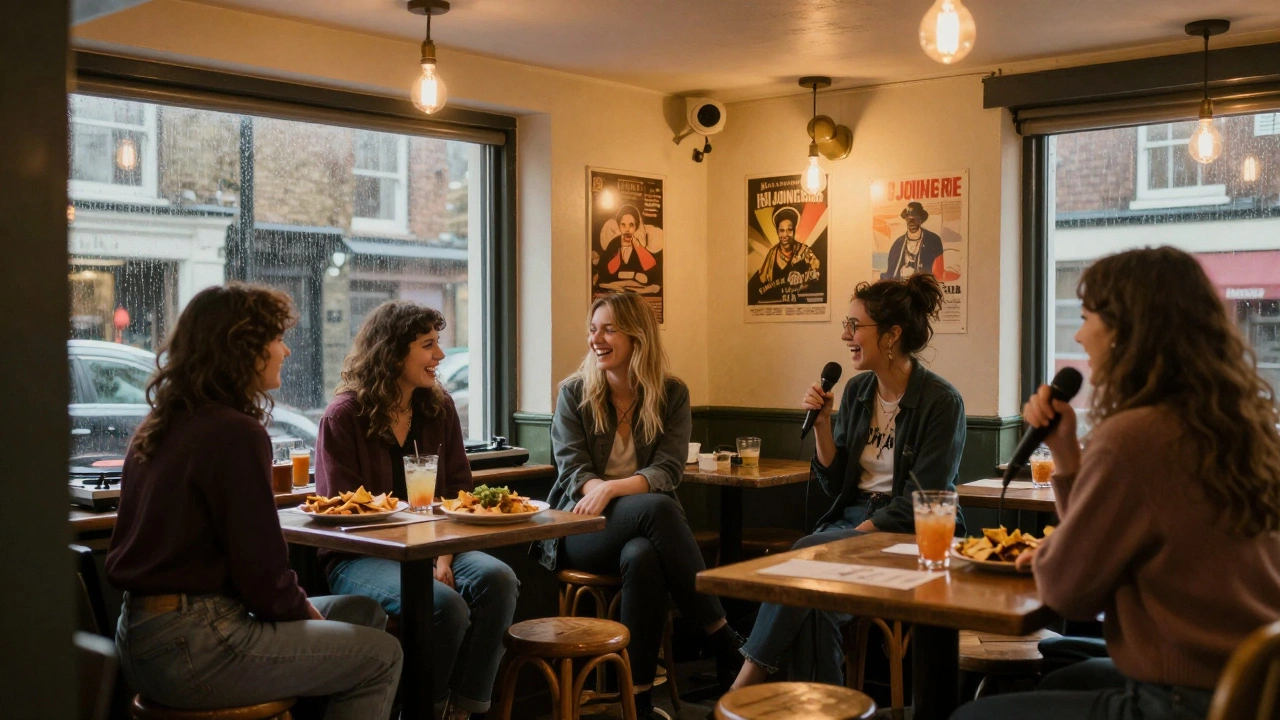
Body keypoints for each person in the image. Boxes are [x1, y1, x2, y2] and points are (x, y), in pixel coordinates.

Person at [952, 247, 1280, 720]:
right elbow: (1099, 541)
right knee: (1065, 671)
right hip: (1254, 683)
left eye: (1087, 318)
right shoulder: (1233, 425)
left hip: (1188, 698)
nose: (1080, 335)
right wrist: (1066, 452)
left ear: (1128, 331)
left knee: (970, 717)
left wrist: (1045, 554)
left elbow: (1069, 592)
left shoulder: (1134, 438)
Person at [106, 283, 403, 718]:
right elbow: (262, 575)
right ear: (243, 348)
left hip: (141, 636)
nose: (286, 351)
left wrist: (307, 616)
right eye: (277, 338)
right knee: (383, 655)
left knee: (362, 611)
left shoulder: (160, 424)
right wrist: (309, 620)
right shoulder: (236, 432)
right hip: (198, 643)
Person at [733, 273, 966, 688]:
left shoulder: (941, 403)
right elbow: (834, 482)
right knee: (818, 601)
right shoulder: (859, 391)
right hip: (854, 522)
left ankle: (744, 681)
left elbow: (923, 500)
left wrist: (860, 534)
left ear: (892, 335)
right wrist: (823, 425)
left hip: (911, 538)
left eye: (855, 325)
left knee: (804, 556)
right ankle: (822, 709)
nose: (845, 335)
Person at [539, 292, 745, 720]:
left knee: (644, 555)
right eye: (593, 328)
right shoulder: (573, 393)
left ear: (637, 337)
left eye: (609, 329)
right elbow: (573, 469)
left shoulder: (671, 393)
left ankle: (638, 701)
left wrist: (613, 490)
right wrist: (600, 489)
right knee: (660, 510)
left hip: (643, 529)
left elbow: (669, 469)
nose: (597, 338)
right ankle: (723, 637)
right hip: (583, 528)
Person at [315, 300, 518, 720]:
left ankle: (464, 710)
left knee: (499, 579)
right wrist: (419, 561)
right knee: (445, 605)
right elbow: (343, 518)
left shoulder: (437, 407)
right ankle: (426, 710)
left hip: (434, 544)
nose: (440, 356)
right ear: (392, 352)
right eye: (428, 345)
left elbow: (459, 492)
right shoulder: (343, 416)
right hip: (360, 556)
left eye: (438, 343)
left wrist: (440, 556)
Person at [748, 205, 822, 304]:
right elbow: (760, 280)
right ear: (778, 232)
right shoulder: (772, 254)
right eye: (782, 230)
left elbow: (814, 264)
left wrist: (814, 265)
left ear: (794, 231)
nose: (785, 235)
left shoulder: (803, 250)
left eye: (789, 230)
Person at [595, 204, 662, 294]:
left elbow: (653, 273)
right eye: (623, 225)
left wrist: (638, 247)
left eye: (631, 225)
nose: (627, 229)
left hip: (637, 288)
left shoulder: (639, 243)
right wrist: (620, 250)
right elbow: (604, 272)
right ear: (619, 226)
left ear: (636, 226)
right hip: (616, 287)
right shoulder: (614, 242)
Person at [882, 201, 943, 280]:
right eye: (909, 219)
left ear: (921, 220)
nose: (912, 223)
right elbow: (890, 273)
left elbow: (938, 273)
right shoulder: (898, 244)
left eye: (916, 219)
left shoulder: (934, 240)